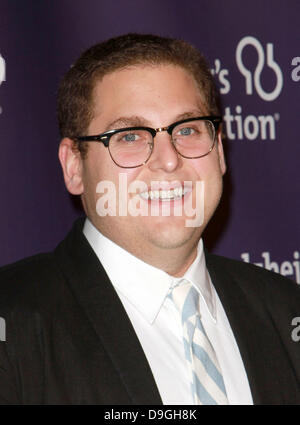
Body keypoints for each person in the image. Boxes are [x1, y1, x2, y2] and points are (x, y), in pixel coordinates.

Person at [0, 33, 299, 405]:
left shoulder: (288, 313)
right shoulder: (12, 326)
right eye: (129, 136)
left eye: (187, 130)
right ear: (74, 166)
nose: (168, 160)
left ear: (219, 150)